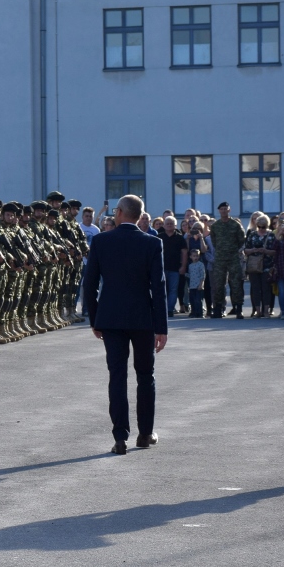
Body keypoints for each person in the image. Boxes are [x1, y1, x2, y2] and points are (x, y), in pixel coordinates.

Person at [83, 195, 166, 455]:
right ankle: (145, 433)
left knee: (117, 376)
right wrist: (161, 327)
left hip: (111, 319)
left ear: (118, 213)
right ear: (141, 216)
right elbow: (159, 288)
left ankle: (120, 437)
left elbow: (90, 283)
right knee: (145, 376)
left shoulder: (100, 241)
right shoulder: (153, 243)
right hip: (142, 319)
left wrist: (95, 319)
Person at [209, 201, 246, 318]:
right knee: (219, 283)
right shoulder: (215, 226)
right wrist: (222, 250)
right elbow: (214, 241)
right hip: (220, 258)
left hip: (233, 257)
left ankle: (238, 308)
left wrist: (232, 249)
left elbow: (241, 239)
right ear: (219, 211)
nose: (224, 211)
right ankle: (218, 309)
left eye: (225, 209)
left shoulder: (235, 225)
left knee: (236, 283)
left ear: (229, 210)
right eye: (221, 209)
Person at [242, 213, 275, 318]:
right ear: (256, 225)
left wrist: (266, 251)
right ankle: (257, 311)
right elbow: (245, 250)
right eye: (259, 226)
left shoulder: (271, 235)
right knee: (255, 288)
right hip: (254, 265)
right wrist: (253, 250)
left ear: (267, 225)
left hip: (267, 265)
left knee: (266, 288)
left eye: (263, 226)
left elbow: (275, 251)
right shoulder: (252, 235)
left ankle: (266, 310)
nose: (261, 229)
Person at [159, 217, 188, 317]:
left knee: (173, 290)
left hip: (175, 269)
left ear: (175, 225)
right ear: (164, 225)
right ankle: (163, 308)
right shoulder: (159, 237)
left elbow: (184, 253)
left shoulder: (180, 238)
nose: (169, 225)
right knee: (162, 290)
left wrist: (183, 266)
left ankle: (170, 309)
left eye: (172, 223)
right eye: (167, 223)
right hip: (161, 269)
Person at [271, 223, 284, 319]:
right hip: (280, 268)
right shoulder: (278, 240)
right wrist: (278, 236)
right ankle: (283, 312)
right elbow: (273, 248)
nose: (283, 231)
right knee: (282, 292)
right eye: (282, 229)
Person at [186, 248, 206, 318]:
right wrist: (185, 274)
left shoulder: (201, 265)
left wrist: (201, 284)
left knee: (198, 300)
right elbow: (190, 275)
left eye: (197, 256)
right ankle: (193, 312)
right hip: (192, 286)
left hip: (198, 285)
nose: (195, 257)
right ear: (190, 257)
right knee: (192, 300)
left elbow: (202, 275)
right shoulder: (190, 266)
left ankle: (200, 313)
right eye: (194, 256)